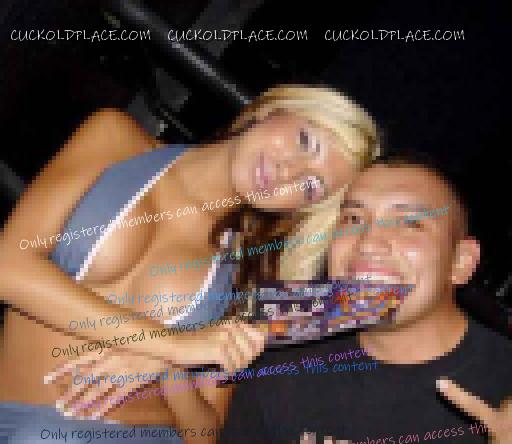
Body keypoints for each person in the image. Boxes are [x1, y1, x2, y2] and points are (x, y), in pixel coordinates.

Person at [0, 85, 380, 443]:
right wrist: (174, 344)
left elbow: (204, 433)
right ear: (273, 110)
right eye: (305, 141)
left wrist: (168, 366)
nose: (289, 171)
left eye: (311, 186)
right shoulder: (117, 140)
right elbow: (8, 267)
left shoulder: (247, 278)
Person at [219, 154, 512, 444]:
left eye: (409, 223)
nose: (368, 243)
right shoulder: (284, 362)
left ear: (460, 262)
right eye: (353, 219)